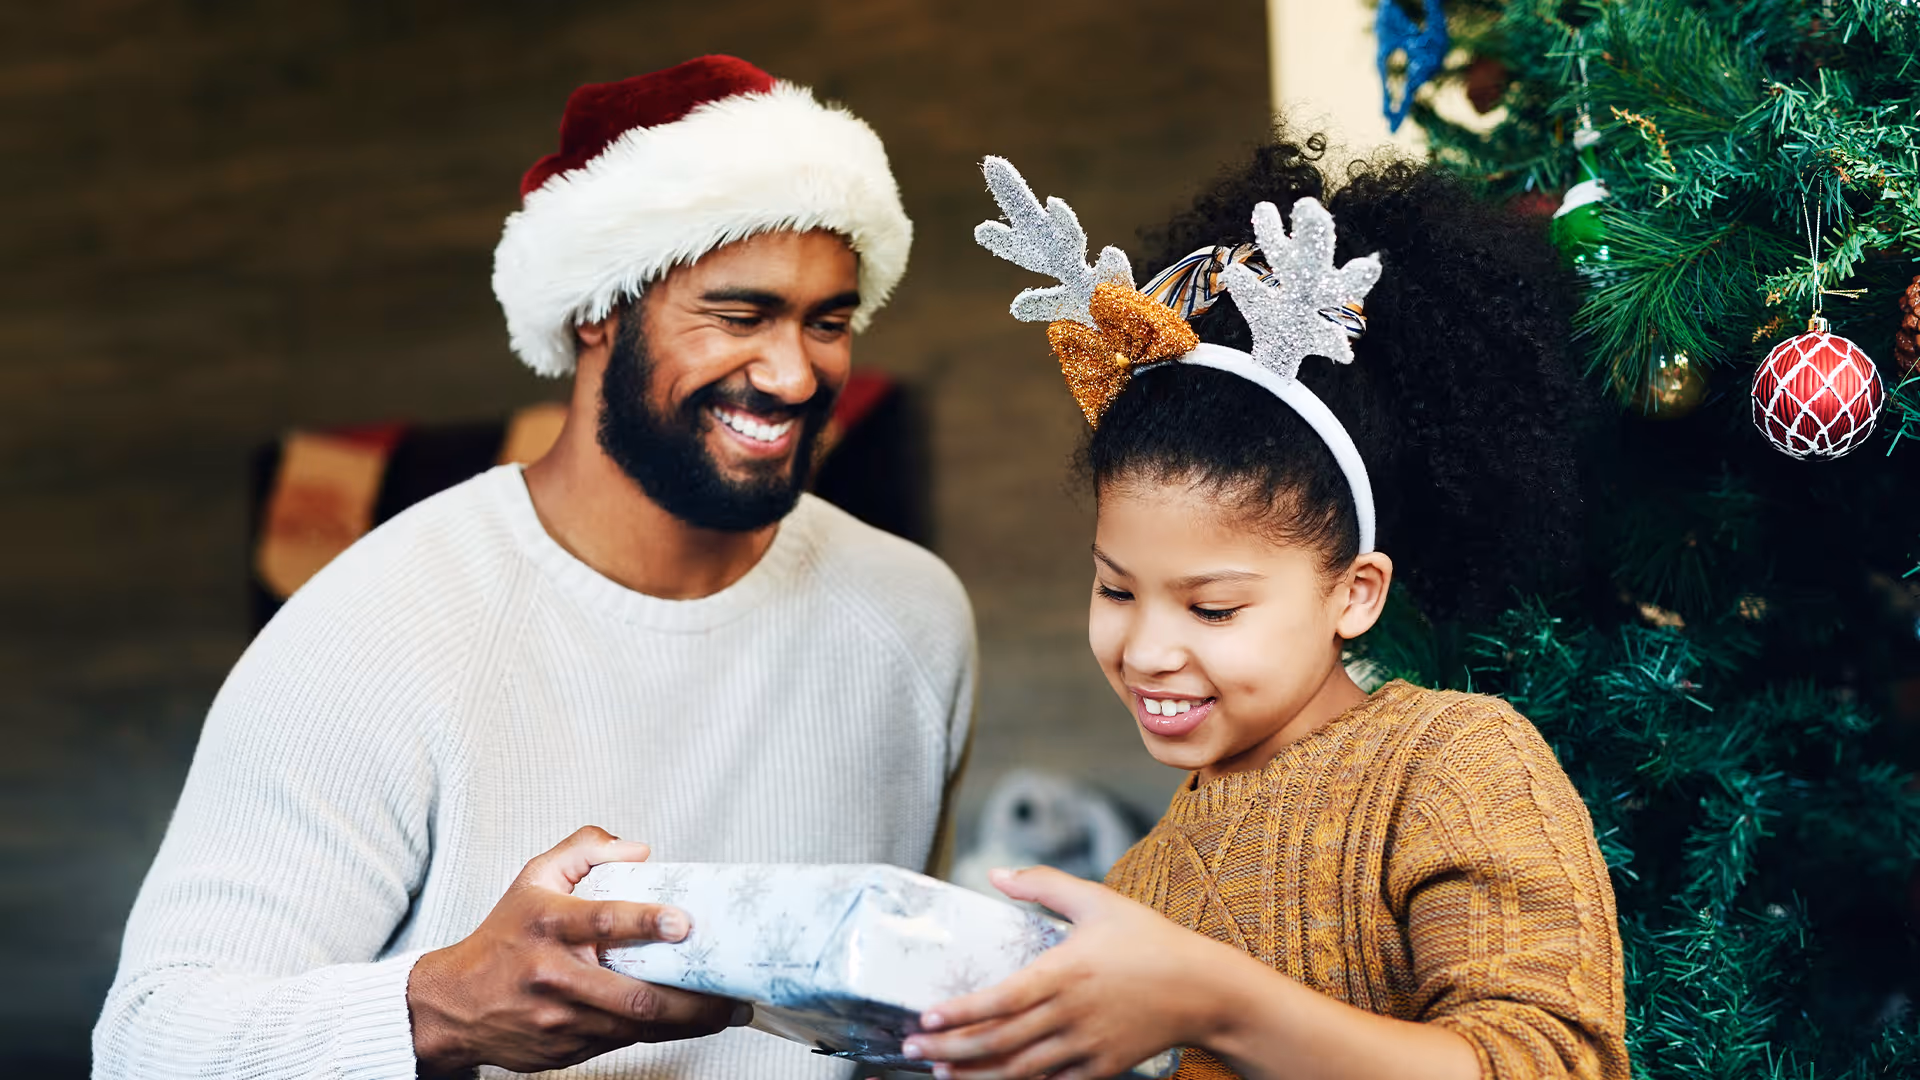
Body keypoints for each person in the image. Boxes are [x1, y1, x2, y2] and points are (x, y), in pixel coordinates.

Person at [94, 55, 976, 1079]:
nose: (794, 372)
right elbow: (149, 1044)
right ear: (599, 309)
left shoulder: (913, 618)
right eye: (740, 316)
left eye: (828, 321)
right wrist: (441, 1011)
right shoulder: (373, 626)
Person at [903, 141, 1626, 1079]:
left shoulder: (1451, 765)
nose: (1148, 650)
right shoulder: (1141, 882)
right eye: (1116, 589)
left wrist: (1215, 1001)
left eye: (1212, 610)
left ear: (1353, 593)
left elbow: (1547, 1063)